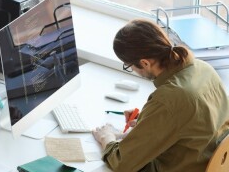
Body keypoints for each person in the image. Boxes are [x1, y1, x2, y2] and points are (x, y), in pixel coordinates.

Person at [92, 19, 229, 171]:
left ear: (144, 63)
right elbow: (193, 120)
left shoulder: (169, 100)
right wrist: (150, 119)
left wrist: (107, 137)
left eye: (129, 66)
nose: (133, 70)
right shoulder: (203, 68)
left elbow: (121, 163)